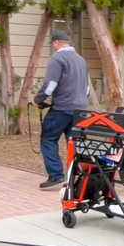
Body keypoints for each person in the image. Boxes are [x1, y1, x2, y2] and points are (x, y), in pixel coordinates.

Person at [33, 31, 90, 190]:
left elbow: (51, 84)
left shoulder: (57, 59)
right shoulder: (81, 60)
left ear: (56, 43)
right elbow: (86, 88)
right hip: (81, 109)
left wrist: (38, 100)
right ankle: (77, 176)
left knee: (49, 139)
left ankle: (56, 175)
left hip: (62, 108)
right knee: (74, 143)